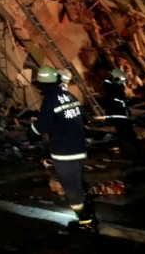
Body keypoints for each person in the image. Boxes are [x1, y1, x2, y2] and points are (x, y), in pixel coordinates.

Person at [30, 65, 96, 231]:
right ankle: (90, 213)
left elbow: (41, 126)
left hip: (64, 153)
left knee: (71, 188)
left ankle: (86, 222)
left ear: (43, 86)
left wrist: (30, 131)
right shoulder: (69, 96)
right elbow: (85, 117)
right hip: (79, 149)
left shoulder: (49, 101)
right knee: (79, 182)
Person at [101, 68, 145, 161]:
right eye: (121, 80)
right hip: (118, 117)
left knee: (128, 137)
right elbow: (109, 88)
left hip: (123, 117)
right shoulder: (111, 86)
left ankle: (134, 154)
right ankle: (134, 156)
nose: (122, 83)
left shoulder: (117, 88)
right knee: (126, 138)